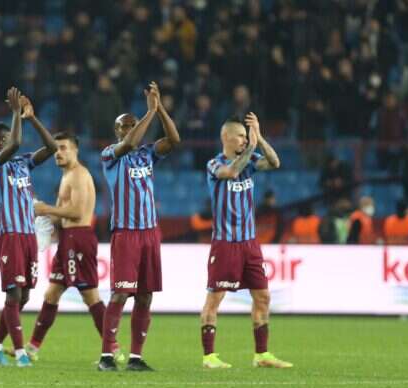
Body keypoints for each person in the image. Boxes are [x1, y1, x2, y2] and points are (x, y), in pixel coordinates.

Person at [98, 82, 180, 371]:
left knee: (145, 296)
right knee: (121, 293)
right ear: (116, 131)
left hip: (149, 233)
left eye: (132, 125)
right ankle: (106, 356)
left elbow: (174, 139)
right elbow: (130, 143)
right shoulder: (110, 154)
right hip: (125, 233)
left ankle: (135, 358)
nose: (129, 129)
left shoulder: (148, 154)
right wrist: (149, 113)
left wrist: (160, 110)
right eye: (124, 126)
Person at [20, 132, 123, 362]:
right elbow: (61, 215)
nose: (58, 153)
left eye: (63, 148)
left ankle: (113, 349)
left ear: (75, 150)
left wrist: (46, 209)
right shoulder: (67, 176)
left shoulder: (78, 175)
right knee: (52, 293)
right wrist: (42, 220)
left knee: (90, 296)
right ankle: (33, 348)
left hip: (79, 239)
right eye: (56, 149)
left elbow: (77, 212)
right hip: (68, 239)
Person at [200, 112, 292, 369]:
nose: (244, 139)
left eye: (245, 135)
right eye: (240, 135)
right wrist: (251, 147)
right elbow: (230, 172)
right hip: (225, 243)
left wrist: (258, 138)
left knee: (263, 297)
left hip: (250, 244)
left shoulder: (251, 160)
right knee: (215, 299)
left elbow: (274, 162)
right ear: (227, 137)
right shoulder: (214, 164)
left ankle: (261, 354)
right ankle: (209, 357)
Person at [0, 87, 57, 368]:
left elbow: (52, 148)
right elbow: (14, 144)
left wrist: (31, 118)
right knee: (13, 293)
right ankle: (21, 353)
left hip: (28, 235)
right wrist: (15, 114)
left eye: (1, 138)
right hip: (10, 234)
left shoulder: (23, 163)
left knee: (23, 295)